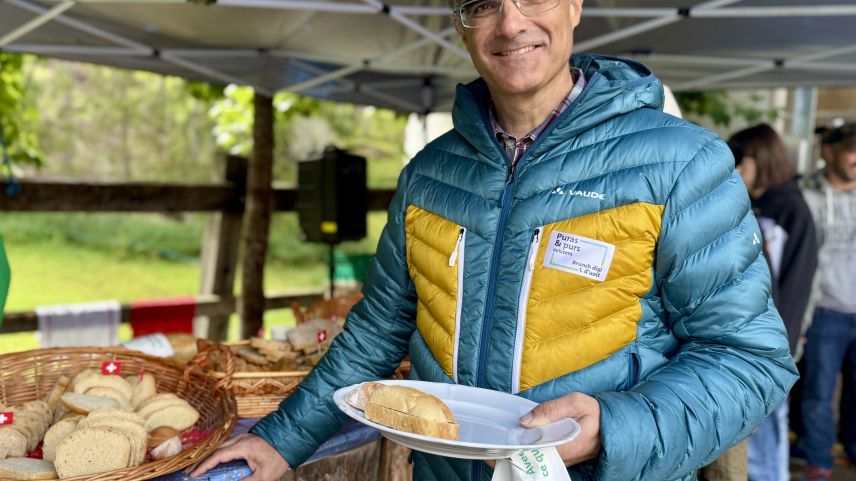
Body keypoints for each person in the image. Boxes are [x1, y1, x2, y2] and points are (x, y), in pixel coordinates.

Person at [192, 1, 798, 480]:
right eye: (482, 4)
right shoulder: (429, 174)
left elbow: (749, 359)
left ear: (575, 6)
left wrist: (615, 427)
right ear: (461, 24)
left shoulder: (680, 162)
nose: (511, 23)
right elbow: (376, 333)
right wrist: (280, 441)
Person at [728, 124, 818, 481]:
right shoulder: (753, 205)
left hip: (773, 345)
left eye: (741, 159)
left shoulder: (791, 209)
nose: (736, 168)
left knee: (768, 437)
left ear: (760, 159)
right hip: (751, 340)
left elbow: (796, 286)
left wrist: (784, 347)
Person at [799, 122, 856, 481]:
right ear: (830, 152)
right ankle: (819, 461)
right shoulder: (805, 193)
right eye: (852, 151)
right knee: (818, 393)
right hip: (824, 310)